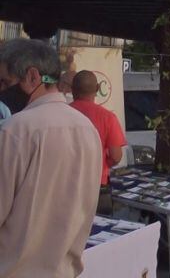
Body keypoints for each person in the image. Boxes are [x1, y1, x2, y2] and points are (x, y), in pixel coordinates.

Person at [0, 39, 102, 278]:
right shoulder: (88, 129)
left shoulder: (16, 130)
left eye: (5, 82)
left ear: (33, 77)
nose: (2, 90)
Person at [70, 70, 126, 215]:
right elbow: (116, 156)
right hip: (97, 184)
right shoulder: (108, 117)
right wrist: (104, 164)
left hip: (66, 183)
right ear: (97, 89)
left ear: (72, 89)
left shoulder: (61, 113)